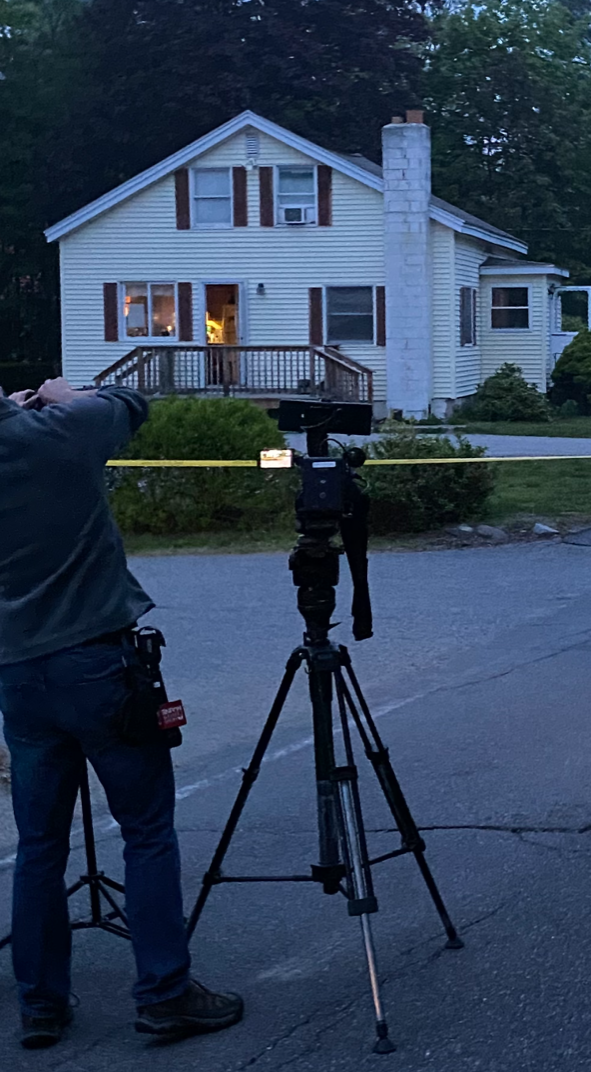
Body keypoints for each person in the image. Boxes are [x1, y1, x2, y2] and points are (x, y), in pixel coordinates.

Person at [0, 378, 243, 1049]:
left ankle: (41, 1004)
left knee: (39, 844)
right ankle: (164, 994)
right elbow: (131, 405)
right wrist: (62, 393)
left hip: (17, 671)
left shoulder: (35, 435)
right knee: (145, 829)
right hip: (96, 663)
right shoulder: (57, 434)